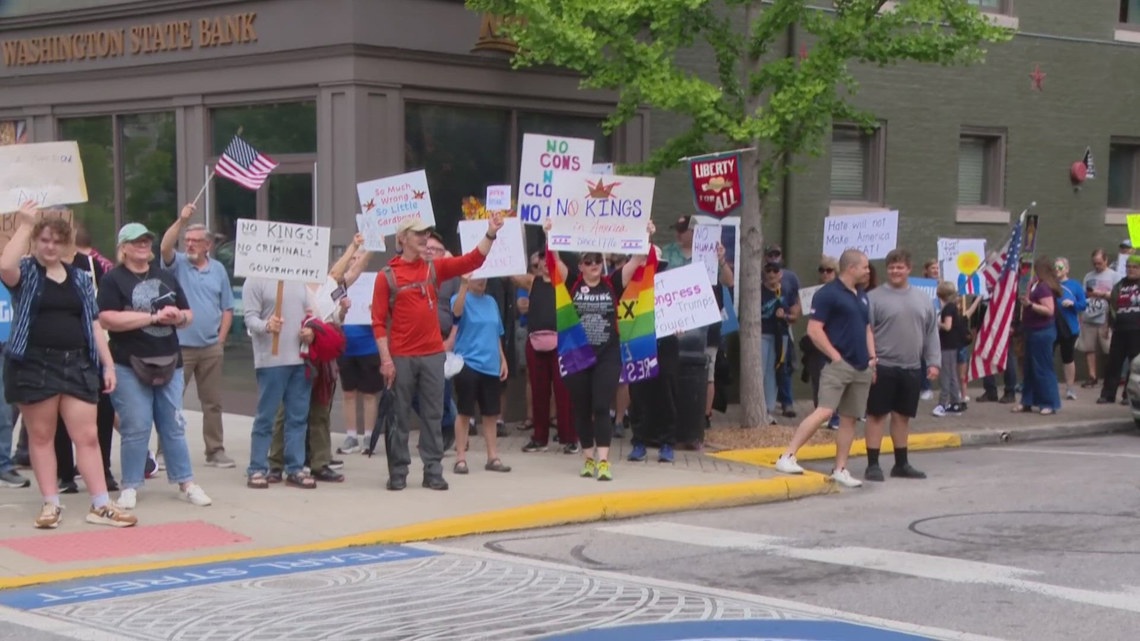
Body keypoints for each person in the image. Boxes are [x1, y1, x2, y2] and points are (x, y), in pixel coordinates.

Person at [0, 203, 135, 528]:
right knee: (42, 436)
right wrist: (25, 224)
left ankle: (101, 504)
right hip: (34, 363)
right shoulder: (28, 272)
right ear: (36, 242)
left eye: (56, 241)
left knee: (87, 436)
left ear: (66, 245)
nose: (50, 246)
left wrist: (108, 365)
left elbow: (93, 323)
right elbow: (5, 266)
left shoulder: (79, 277)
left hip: (77, 363)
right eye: (44, 240)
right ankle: (51, 504)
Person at [371, 215, 502, 492]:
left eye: (425, 233)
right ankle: (398, 472)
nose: (423, 238)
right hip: (401, 357)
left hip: (433, 355)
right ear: (402, 238)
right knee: (399, 415)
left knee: (433, 414)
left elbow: (471, 261)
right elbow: (378, 321)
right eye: (417, 233)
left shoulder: (433, 269)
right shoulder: (387, 276)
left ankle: (433, 470)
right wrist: (385, 359)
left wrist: (490, 233)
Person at [98, 222, 212, 510]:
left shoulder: (165, 276)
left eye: (147, 240)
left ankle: (186, 482)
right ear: (123, 247)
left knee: (173, 424)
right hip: (128, 363)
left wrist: (177, 318)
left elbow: (188, 313)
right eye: (136, 241)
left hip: (169, 360)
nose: (143, 245)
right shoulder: (113, 280)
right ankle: (131, 486)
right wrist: (151, 317)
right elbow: (108, 319)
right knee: (136, 425)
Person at [545, 219, 653, 481]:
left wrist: (645, 235)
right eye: (589, 261)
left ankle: (604, 461)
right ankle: (588, 458)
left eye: (597, 261)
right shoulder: (572, 282)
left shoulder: (612, 282)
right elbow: (554, 263)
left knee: (602, 405)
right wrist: (549, 233)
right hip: (577, 355)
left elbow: (637, 259)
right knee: (581, 408)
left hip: (607, 354)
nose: (594, 265)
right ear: (580, 266)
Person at [775, 249, 874, 488]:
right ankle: (787, 456)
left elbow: (867, 328)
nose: (868, 271)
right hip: (838, 365)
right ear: (851, 268)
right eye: (865, 267)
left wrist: (872, 358)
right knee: (825, 411)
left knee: (849, 419)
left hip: (862, 366)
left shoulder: (861, 295)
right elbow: (814, 330)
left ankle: (840, 469)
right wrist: (835, 356)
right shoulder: (828, 295)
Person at [159, 204, 235, 468]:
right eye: (187, 241)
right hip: (180, 347)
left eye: (195, 241)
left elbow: (227, 307)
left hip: (211, 347)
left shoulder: (218, 270)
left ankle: (215, 451)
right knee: (171, 401)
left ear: (208, 246)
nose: (189, 245)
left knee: (212, 403)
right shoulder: (178, 264)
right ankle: (165, 452)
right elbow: (165, 248)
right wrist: (181, 221)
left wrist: (221, 339)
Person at [862, 249, 941, 481]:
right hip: (882, 365)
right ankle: (873, 464)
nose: (896, 271)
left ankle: (901, 463)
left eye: (900, 267)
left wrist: (934, 362)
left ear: (909, 269)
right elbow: (867, 331)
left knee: (902, 416)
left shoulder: (923, 299)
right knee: (876, 415)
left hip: (912, 367)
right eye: (892, 267)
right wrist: (871, 361)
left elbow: (931, 333)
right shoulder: (873, 298)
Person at [242, 275, 317, 489]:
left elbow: (309, 315)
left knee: (298, 418)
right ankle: (257, 467)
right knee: (266, 417)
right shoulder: (255, 280)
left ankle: (295, 467)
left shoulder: (300, 280)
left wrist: (310, 330)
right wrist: (267, 325)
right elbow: (250, 318)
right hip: (271, 360)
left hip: (300, 358)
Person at [516, 251, 577, 454]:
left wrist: (554, 244)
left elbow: (560, 265)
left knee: (564, 393)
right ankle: (539, 439)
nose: (544, 263)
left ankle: (570, 438)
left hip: (561, 345)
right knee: (538, 392)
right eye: (540, 260)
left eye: (547, 258)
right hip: (535, 344)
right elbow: (509, 273)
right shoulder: (532, 282)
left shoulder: (563, 280)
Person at [450, 276, 511, 474]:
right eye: (478, 277)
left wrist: (502, 359)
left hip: (491, 365)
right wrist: (463, 286)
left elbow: (496, 333)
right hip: (468, 362)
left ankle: (492, 456)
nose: (482, 281)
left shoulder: (491, 302)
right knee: (465, 412)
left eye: (485, 277)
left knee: (491, 413)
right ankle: (460, 457)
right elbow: (456, 313)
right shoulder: (459, 298)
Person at [335, 243, 378, 456]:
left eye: (359, 258)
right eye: (353, 258)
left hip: (368, 346)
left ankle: (369, 436)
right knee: (348, 393)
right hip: (345, 346)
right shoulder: (340, 285)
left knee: (369, 394)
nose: (356, 261)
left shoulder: (372, 283)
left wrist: (374, 310)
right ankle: (351, 435)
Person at [1013, 256, 1063, 415]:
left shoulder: (1043, 288)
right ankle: (1027, 400)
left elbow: (1049, 310)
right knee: (1029, 368)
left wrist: (1031, 305)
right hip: (1031, 330)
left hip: (1042, 331)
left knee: (1042, 367)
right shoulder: (1034, 285)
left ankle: (1049, 402)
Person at [800, 255, 840, 430]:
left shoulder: (841, 293)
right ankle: (820, 412)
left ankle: (835, 416)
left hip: (835, 342)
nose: (825, 274)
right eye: (822, 270)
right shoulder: (815, 293)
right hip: (817, 344)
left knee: (834, 381)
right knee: (818, 379)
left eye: (829, 270)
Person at [1096, 255, 1140, 405]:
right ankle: (1108, 394)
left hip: (1137, 330)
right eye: (1129, 267)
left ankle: (1129, 395)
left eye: (1135, 267)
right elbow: (1112, 306)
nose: (1131, 270)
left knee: (1134, 364)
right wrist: (1107, 325)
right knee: (1113, 362)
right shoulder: (1120, 285)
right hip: (1120, 329)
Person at [933, 282, 979, 417]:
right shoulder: (953, 308)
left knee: (946, 375)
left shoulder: (948, 309)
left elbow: (947, 326)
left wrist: (937, 323)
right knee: (952, 375)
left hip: (947, 346)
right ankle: (955, 403)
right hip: (953, 346)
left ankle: (942, 404)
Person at [765, 243, 801, 417]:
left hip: (784, 329)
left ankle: (787, 402)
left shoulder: (791, 278)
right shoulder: (759, 278)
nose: (773, 258)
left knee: (784, 365)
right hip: (765, 331)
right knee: (766, 368)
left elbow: (796, 305)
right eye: (770, 255)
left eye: (776, 254)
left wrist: (787, 317)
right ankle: (766, 404)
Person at [1078, 249, 1120, 389]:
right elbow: (1083, 294)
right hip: (1089, 315)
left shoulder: (1114, 276)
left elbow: (1117, 295)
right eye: (1095, 264)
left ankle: (1111, 376)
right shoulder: (1089, 276)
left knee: (1108, 348)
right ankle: (1092, 376)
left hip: (1106, 316)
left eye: (1100, 263)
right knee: (1089, 348)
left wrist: (1101, 294)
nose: (1097, 266)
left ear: (1106, 260)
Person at [760, 260, 789, 425]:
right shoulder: (759, 290)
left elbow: (794, 312)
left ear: (780, 273)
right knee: (761, 371)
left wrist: (784, 316)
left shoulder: (784, 291)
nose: (771, 274)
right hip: (762, 334)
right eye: (768, 270)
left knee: (774, 371)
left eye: (775, 270)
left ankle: (769, 410)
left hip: (780, 336)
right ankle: (760, 409)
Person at [1054, 258, 1087, 401]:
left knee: (1068, 358)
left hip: (1069, 327)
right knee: (1046, 356)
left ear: (1067, 269)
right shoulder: (1049, 285)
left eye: (1060, 267)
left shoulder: (1074, 285)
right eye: (1055, 267)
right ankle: (1047, 386)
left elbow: (1083, 305)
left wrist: (1073, 304)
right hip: (1052, 327)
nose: (1057, 270)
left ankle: (1070, 388)